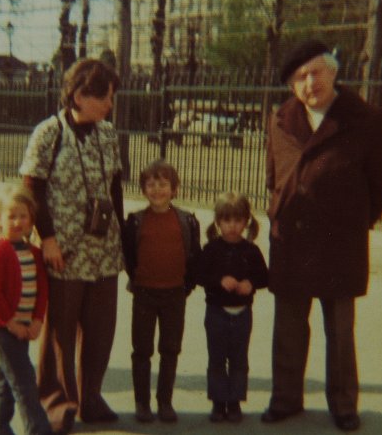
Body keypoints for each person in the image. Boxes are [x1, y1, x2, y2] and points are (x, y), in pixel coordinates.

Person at [262, 40, 382, 432]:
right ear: (292, 87)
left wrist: (357, 218)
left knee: (339, 330)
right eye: (300, 78)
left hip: (340, 241)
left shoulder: (366, 119)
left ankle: (343, 404)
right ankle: (285, 399)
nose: (310, 83)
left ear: (333, 72)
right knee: (288, 327)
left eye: (315, 72)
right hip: (290, 239)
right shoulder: (280, 119)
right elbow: (275, 176)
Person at [19, 58, 124, 434]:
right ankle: (56, 404)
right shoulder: (48, 133)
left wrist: (123, 241)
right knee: (60, 331)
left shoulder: (108, 134)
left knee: (100, 328)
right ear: (80, 95)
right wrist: (46, 238)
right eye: (105, 97)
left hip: (104, 250)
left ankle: (91, 398)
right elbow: (32, 189)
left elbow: (115, 188)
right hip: (63, 249)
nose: (110, 104)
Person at [122, 160, 201, 423]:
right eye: (151, 184)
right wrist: (140, 281)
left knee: (170, 349)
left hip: (174, 294)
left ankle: (165, 401)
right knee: (142, 350)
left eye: (163, 184)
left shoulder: (187, 220)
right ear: (143, 189)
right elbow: (130, 258)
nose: (157, 190)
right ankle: (142, 403)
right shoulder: (135, 221)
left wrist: (185, 287)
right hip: (145, 294)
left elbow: (194, 257)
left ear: (174, 189)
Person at [0, 186, 54, 435]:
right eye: (11, 216)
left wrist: (37, 321)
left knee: (5, 382)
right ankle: (38, 429)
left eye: (23, 216)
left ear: (32, 219)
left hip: (22, 327)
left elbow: (42, 290)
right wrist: (11, 323)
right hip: (3, 330)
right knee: (24, 383)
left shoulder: (33, 253)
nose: (17, 221)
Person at [198, 192, 268, 424]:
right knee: (216, 359)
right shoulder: (211, 249)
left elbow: (264, 276)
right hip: (217, 312)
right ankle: (218, 402)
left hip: (242, 314)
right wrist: (219, 280)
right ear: (218, 222)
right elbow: (200, 274)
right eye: (227, 220)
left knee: (239, 359)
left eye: (238, 220)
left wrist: (251, 283)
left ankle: (235, 401)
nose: (232, 226)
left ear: (246, 221)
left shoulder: (251, 250)